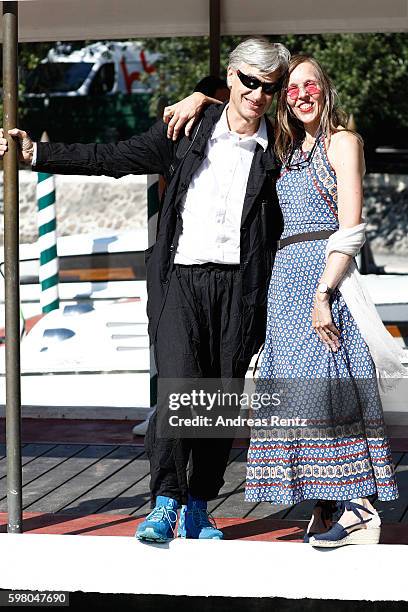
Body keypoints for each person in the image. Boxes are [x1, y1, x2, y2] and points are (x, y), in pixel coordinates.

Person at [0, 37, 290, 543]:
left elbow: (326, 143)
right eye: (249, 81)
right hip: (181, 278)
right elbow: (113, 156)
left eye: (270, 86)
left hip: (240, 290)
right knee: (178, 388)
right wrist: (36, 153)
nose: (258, 94)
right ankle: (165, 500)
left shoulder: (280, 147)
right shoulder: (188, 128)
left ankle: (199, 503)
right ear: (231, 75)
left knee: (219, 400)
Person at [162, 54, 405, 548]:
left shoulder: (342, 142)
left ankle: (359, 508)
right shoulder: (286, 145)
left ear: (326, 88)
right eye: (291, 89)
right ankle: (326, 500)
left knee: (329, 389)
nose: (301, 95)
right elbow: (239, 104)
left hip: (323, 274)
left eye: (309, 84)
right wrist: (198, 97)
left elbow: (352, 227)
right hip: (284, 279)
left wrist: (324, 291)